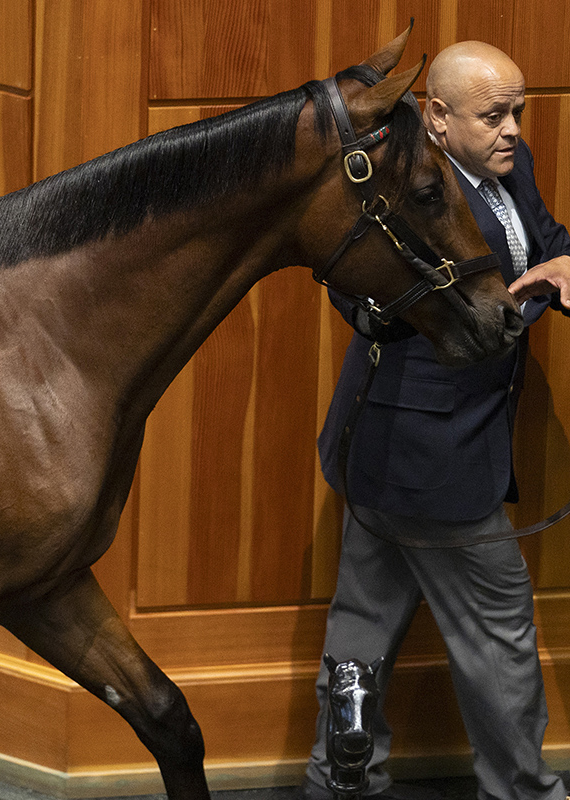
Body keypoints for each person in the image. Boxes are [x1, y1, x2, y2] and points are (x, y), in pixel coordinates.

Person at [299, 41, 570, 800]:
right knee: (499, 635)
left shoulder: (507, 166)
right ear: (438, 118)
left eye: (518, 110)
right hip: (430, 455)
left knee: (361, 627)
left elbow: (544, 244)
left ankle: (337, 783)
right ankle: (521, 791)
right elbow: (363, 301)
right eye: (495, 115)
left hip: (395, 450)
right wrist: (533, 295)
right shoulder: (405, 188)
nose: (513, 128)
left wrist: (562, 267)